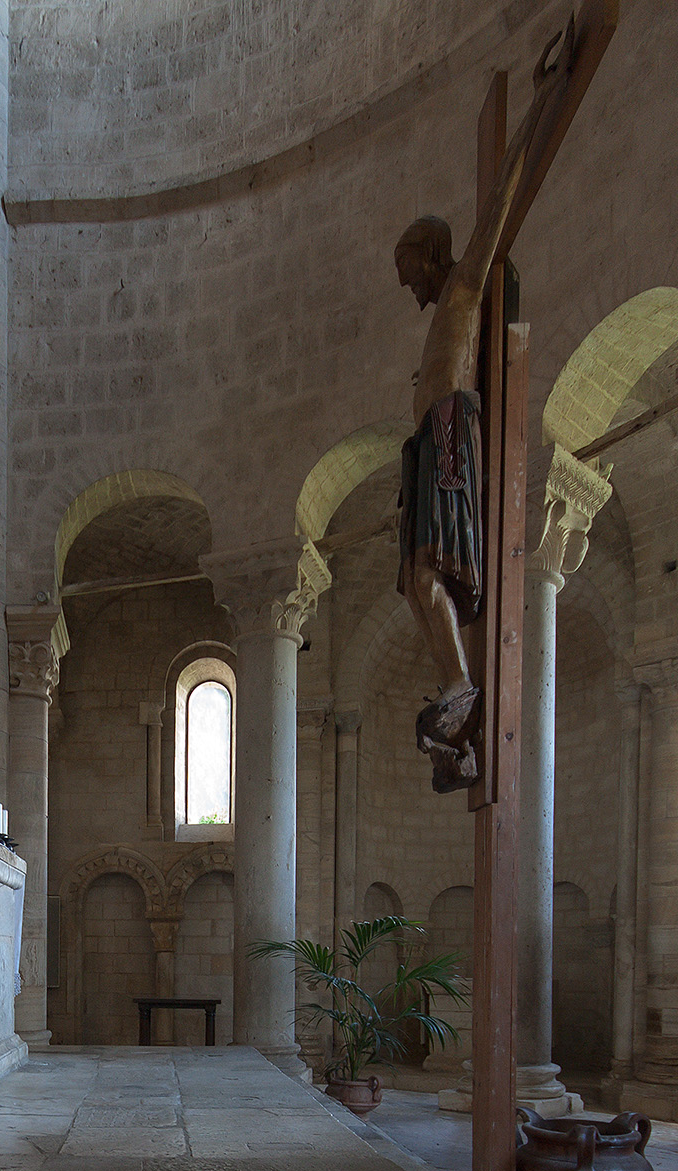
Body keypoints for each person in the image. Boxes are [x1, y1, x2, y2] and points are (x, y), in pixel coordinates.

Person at [395, 17, 574, 791]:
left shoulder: (464, 290)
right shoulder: (439, 315)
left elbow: (502, 202)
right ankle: (461, 707)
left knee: (431, 574)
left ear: (435, 255)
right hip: (427, 451)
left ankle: (465, 692)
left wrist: (544, 96)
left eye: (409, 268)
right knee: (414, 583)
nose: (408, 286)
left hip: (452, 439)